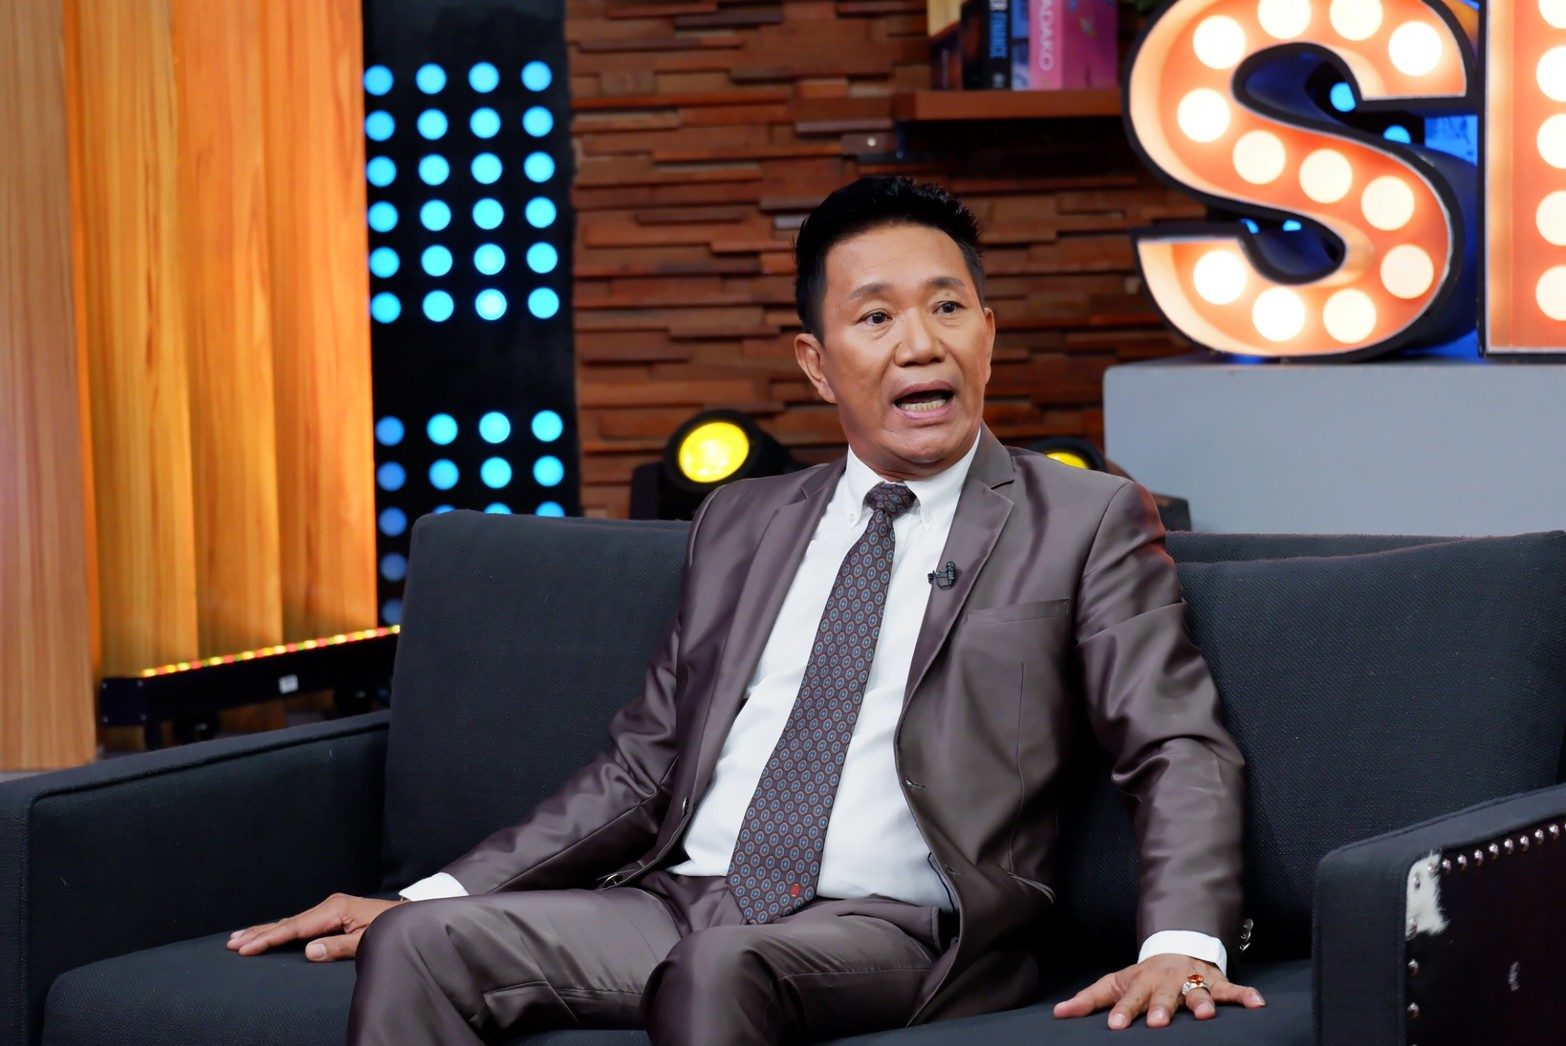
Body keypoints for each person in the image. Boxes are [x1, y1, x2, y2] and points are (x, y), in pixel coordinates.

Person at [228, 176, 1261, 1042]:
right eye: (875, 317)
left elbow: (1174, 742)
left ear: (988, 334)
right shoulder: (741, 519)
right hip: (682, 901)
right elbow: (640, 767)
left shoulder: (1081, 516)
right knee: (421, 944)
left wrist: (1183, 941)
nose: (920, 344)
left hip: (898, 926)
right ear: (816, 361)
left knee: (720, 966)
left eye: (948, 308)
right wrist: (424, 896)